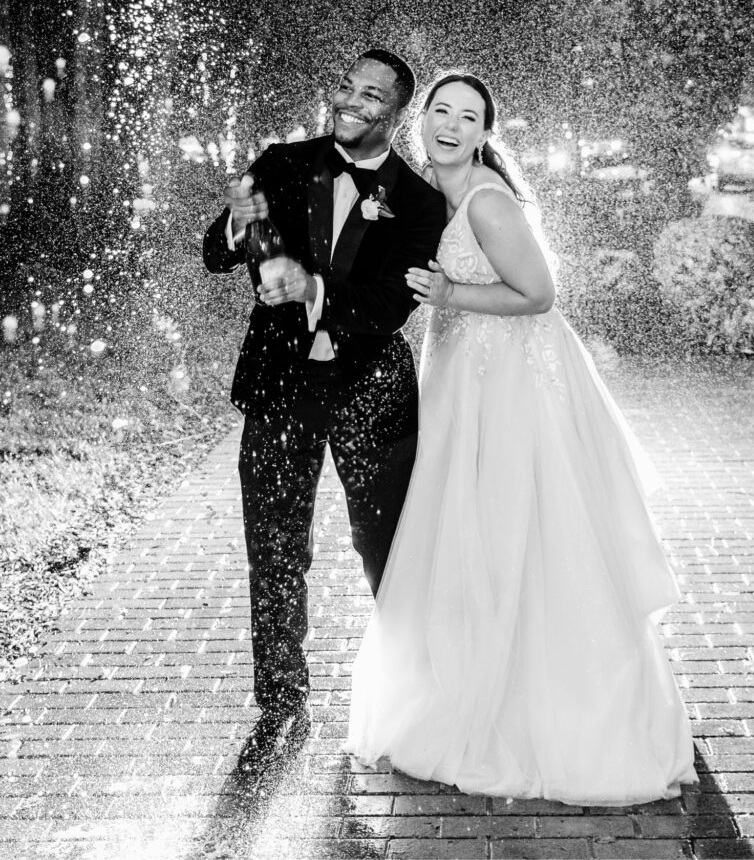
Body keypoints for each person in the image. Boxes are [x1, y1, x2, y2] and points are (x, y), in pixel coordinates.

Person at [347, 73, 698, 805]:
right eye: (439, 111)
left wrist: (450, 296)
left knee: (522, 532)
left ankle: (558, 713)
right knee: (466, 534)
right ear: (421, 123)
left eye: (466, 116)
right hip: (460, 379)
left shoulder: (487, 200)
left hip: (510, 385)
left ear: (483, 133)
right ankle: (469, 686)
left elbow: (539, 294)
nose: (449, 124)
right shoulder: (416, 193)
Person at [203, 49, 445, 773]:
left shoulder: (420, 201)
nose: (350, 99)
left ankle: (414, 692)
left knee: (388, 551)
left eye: (370, 94)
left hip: (371, 393)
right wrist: (239, 229)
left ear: (394, 113)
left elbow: (386, 307)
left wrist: (309, 289)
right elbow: (218, 252)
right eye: (345, 85)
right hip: (280, 391)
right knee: (275, 550)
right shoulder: (281, 164)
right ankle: (281, 700)